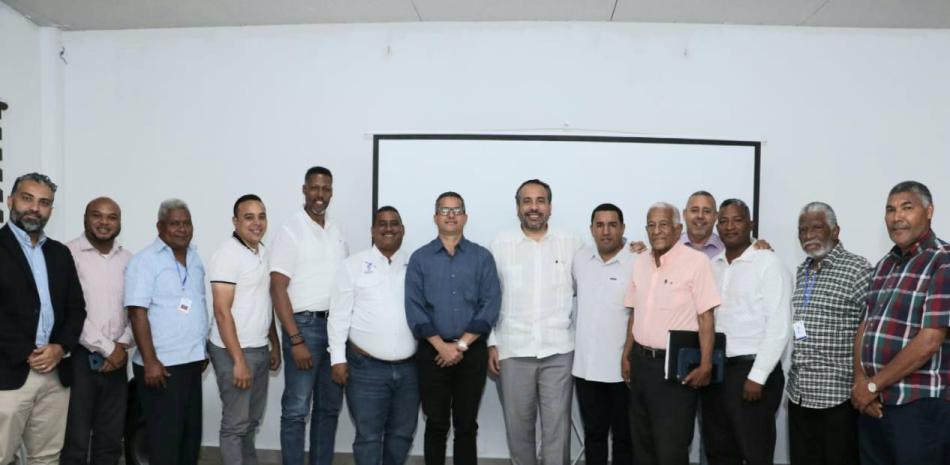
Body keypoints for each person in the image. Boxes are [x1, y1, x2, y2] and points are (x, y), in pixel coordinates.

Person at [852, 181, 950, 465]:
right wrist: (861, 382)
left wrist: (872, 385)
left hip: (919, 407)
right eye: (890, 210)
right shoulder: (884, 265)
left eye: (907, 208)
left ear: (929, 211)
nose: (897, 217)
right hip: (875, 405)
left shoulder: (943, 261)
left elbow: (930, 339)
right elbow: (865, 326)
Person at [488, 179, 583, 465]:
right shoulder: (499, 244)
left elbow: (595, 275)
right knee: (519, 429)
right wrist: (491, 343)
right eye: (526, 201)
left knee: (557, 429)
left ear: (549, 207)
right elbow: (488, 298)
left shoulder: (572, 243)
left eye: (540, 200)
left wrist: (632, 249)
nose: (533, 207)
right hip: (513, 349)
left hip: (559, 350)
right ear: (518, 208)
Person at [405, 191, 501, 465]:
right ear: (436, 217)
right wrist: (441, 347)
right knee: (436, 423)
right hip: (432, 353)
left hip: (470, 352)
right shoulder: (420, 259)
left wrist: (459, 346)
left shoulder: (482, 257)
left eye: (457, 210)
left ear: (465, 217)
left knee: (466, 424)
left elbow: (490, 304)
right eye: (444, 210)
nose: (450, 215)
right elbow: (415, 308)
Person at [621, 202, 720, 465]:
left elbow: (706, 317)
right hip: (641, 364)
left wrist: (707, 364)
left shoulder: (696, 263)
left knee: (671, 448)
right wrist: (626, 354)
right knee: (642, 443)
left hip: (675, 370)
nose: (657, 231)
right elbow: (634, 313)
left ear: (678, 229)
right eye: (651, 225)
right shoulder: (640, 263)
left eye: (664, 224)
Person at [0, 173, 86, 465]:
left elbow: (76, 309)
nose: (35, 208)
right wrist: (28, 353)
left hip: (55, 373)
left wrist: (60, 347)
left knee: (47, 458)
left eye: (44, 202)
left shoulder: (60, 253)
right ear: (10, 201)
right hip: (8, 374)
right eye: (27, 199)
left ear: (51, 209)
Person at [701, 199, 791, 465]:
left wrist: (758, 376)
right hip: (716, 373)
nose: (730, 226)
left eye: (737, 220)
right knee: (719, 450)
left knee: (755, 452)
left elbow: (779, 325)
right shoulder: (713, 266)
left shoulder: (768, 263)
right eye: (724, 221)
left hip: (751, 374)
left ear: (750, 224)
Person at [270, 166, 348, 465]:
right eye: (314, 188)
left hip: (335, 331)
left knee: (328, 409)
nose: (320, 195)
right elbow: (277, 288)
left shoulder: (336, 230)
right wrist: (295, 338)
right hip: (304, 328)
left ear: (331, 192)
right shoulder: (291, 230)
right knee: (296, 409)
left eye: (326, 189)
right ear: (304, 190)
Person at [329, 206, 419, 465]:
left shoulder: (415, 265)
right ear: (372, 231)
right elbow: (339, 315)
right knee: (368, 437)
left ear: (402, 230)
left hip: (409, 370)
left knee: (402, 434)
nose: (388, 228)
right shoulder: (352, 266)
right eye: (382, 223)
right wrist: (337, 359)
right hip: (365, 369)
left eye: (394, 223)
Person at [786, 202, 870, 465]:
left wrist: (865, 383)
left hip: (839, 399)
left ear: (835, 231)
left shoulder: (858, 270)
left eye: (816, 227)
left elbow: (869, 331)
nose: (808, 234)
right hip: (799, 394)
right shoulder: (803, 271)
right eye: (802, 230)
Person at [125, 198, 208, 465]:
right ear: (160, 227)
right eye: (174, 224)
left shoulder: (195, 259)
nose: (181, 229)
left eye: (186, 223)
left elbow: (196, 305)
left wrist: (201, 349)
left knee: (189, 439)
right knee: (164, 443)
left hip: (191, 364)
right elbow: (137, 312)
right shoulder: (145, 261)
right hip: (161, 367)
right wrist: (150, 361)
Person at [208, 194, 281, 465]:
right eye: (249, 217)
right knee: (236, 425)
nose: (257, 223)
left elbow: (266, 300)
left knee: (250, 422)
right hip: (233, 351)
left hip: (259, 347)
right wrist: (238, 361)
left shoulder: (262, 251)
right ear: (235, 221)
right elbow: (221, 311)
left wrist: (274, 343)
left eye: (261, 216)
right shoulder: (227, 254)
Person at [61, 197, 133, 465]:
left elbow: (135, 309)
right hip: (80, 357)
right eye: (97, 215)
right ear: (85, 218)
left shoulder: (128, 259)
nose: (104, 222)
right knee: (76, 440)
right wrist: (107, 348)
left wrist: (122, 344)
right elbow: (69, 310)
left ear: (119, 222)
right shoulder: (66, 254)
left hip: (118, 359)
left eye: (111, 217)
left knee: (111, 439)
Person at [571, 203, 634, 465]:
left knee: (624, 437)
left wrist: (629, 356)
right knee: (594, 435)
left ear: (622, 228)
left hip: (624, 370)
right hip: (587, 369)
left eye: (612, 225)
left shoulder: (638, 260)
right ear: (591, 229)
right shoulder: (580, 259)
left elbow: (638, 313)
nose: (606, 231)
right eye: (599, 225)